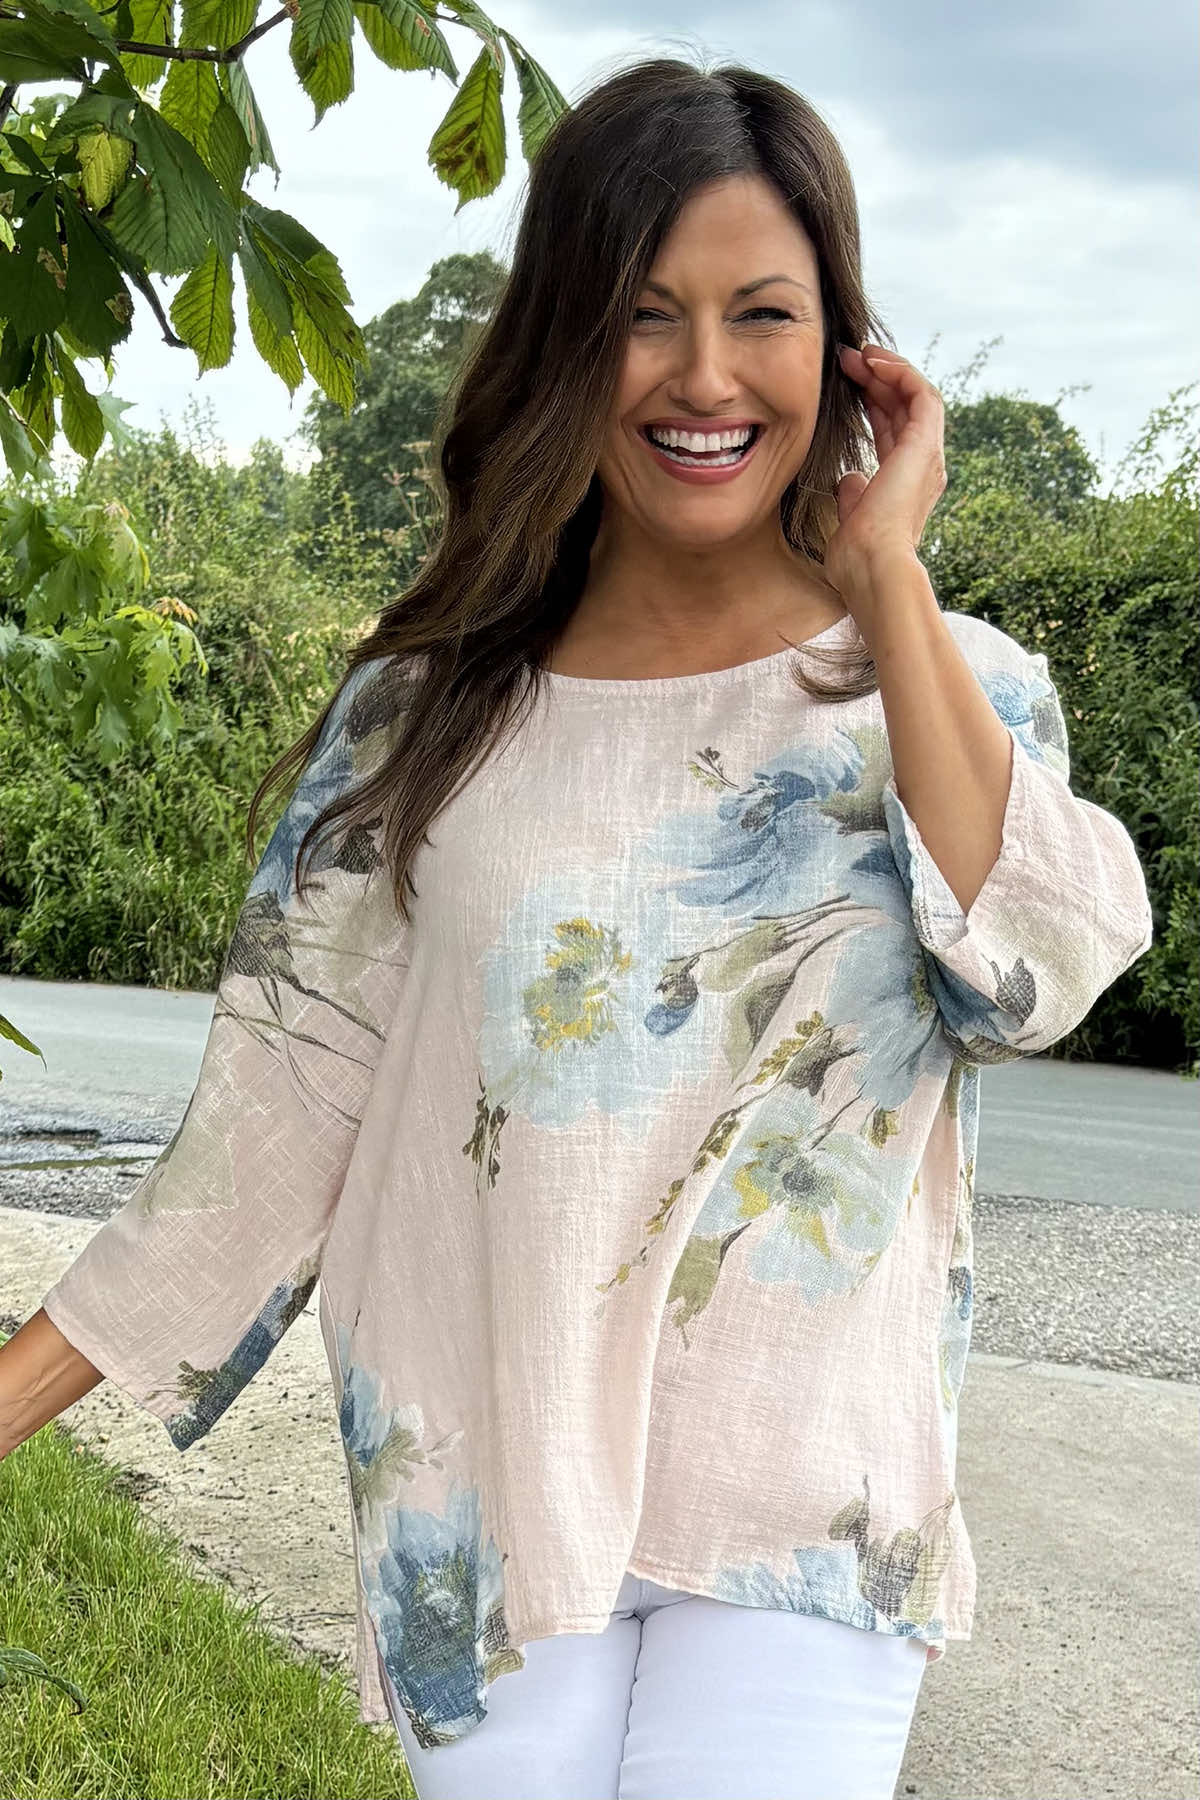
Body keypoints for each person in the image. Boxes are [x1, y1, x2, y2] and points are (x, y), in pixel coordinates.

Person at [0, 52, 1154, 1800]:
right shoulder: (424, 718)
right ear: (562, 340)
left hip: (805, 1503)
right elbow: (271, 1133)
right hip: (486, 1488)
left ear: (844, 347)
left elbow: (1032, 973)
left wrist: (888, 576)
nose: (705, 377)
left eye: (762, 314)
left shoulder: (947, 683)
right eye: (643, 315)